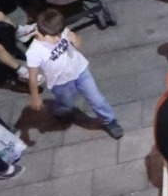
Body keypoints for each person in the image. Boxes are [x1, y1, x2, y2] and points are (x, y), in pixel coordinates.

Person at [24, 7, 126, 140]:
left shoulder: (60, 30)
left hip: (80, 71)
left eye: (60, 34)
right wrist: (35, 97)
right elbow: (32, 76)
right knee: (67, 104)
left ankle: (109, 121)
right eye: (55, 36)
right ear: (42, 33)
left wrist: (76, 39)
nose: (59, 38)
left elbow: (78, 42)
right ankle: (60, 110)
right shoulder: (34, 52)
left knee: (97, 100)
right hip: (60, 83)